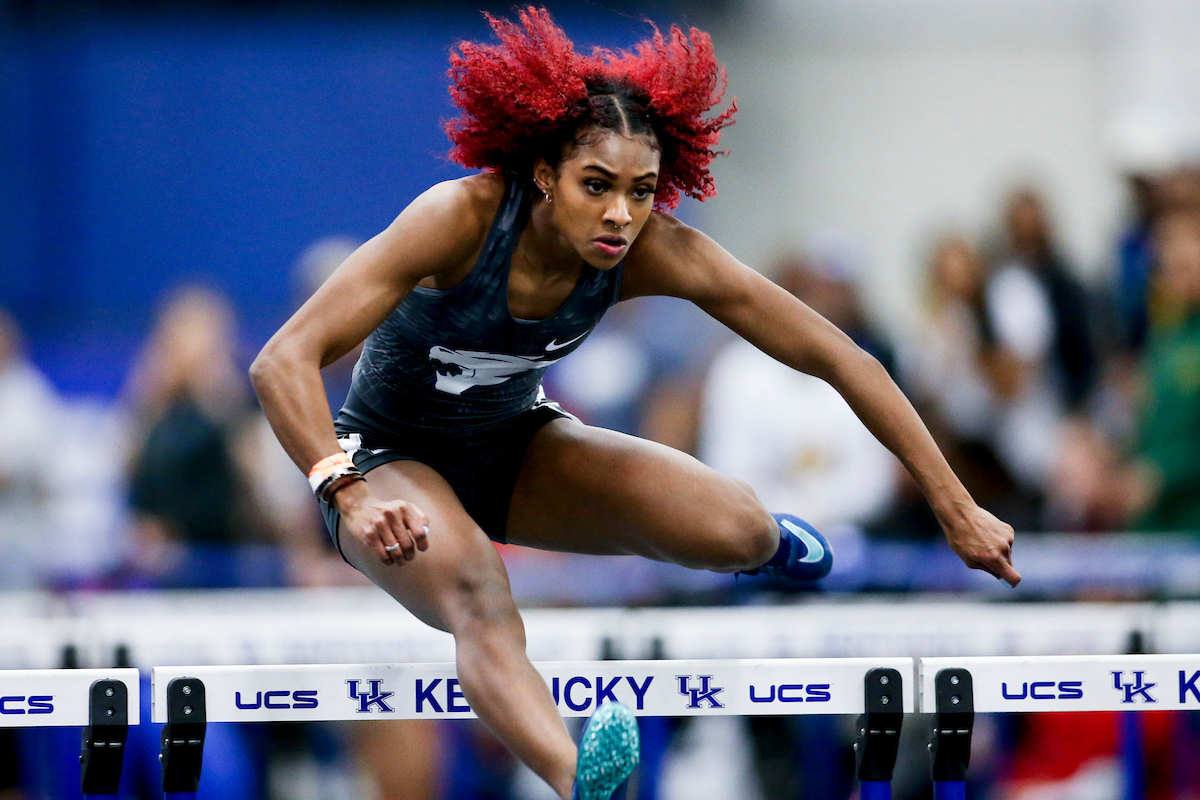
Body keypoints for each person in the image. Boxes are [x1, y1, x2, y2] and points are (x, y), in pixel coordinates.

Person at [249, 9, 1019, 800]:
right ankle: (582, 781)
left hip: (513, 447)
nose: (620, 214)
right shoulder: (459, 220)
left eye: (641, 190)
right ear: (544, 172)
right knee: (479, 589)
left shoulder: (652, 249)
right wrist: (344, 486)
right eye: (597, 186)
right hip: (386, 463)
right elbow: (282, 362)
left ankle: (760, 545)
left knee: (738, 525)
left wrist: (954, 506)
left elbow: (837, 354)